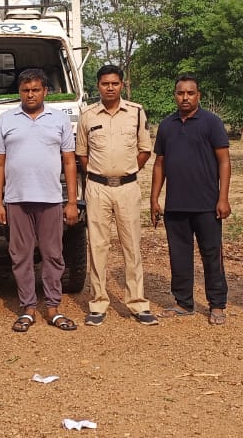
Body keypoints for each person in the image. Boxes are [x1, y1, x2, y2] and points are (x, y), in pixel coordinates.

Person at [0, 68, 80, 333]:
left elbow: (69, 161)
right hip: (16, 200)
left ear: (45, 91)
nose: (30, 94)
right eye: (25, 90)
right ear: (19, 92)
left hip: (50, 199)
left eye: (35, 90)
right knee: (21, 256)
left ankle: (53, 308)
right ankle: (28, 309)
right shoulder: (6, 120)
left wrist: (71, 201)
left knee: (53, 255)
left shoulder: (59, 120)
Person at [75, 65, 158, 327]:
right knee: (98, 246)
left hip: (127, 187)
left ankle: (137, 303)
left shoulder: (136, 112)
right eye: (105, 84)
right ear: (98, 86)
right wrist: (98, 174)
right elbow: (82, 154)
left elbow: (145, 150)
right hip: (97, 188)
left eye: (114, 83)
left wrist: (127, 171)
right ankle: (98, 303)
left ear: (122, 85)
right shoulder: (87, 115)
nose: (110, 88)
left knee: (131, 245)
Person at [150, 74, 232, 326]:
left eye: (190, 93)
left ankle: (217, 304)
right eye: (180, 93)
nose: (185, 97)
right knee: (179, 256)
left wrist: (223, 198)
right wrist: (154, 199)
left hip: (207, 204)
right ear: (175, 95)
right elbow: (160, 163)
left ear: (198, 95)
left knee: (212, 255)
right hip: (176, 205)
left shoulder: (211, 122)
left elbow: (224, 161)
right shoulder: (167, 125)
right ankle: (183, 302)